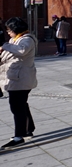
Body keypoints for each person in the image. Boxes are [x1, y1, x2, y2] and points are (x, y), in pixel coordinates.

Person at [0, 17, 37, 149]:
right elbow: (7, 55)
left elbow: (21, 51)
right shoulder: (14, 40)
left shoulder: (27, 39)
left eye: (9, 30)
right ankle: (28, 129)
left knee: (16, 107)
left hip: (22, 79)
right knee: (21, 105)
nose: (8, 32)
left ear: (16, 29)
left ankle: (19, 136)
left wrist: (4, 45)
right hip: (15, 78)